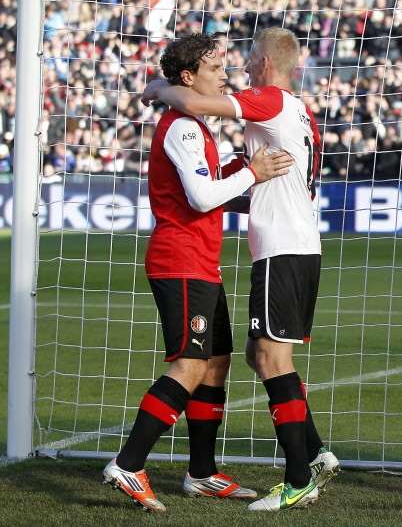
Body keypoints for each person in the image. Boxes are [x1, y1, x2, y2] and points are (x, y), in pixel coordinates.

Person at [142, 27, 338, 512]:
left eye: (247, 60)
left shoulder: (269, 99)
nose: (238, 71)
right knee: (257, 353)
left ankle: (299, 478)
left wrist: (160, 88)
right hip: (294, 244)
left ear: (265, 63)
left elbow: (196, 103)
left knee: (271, 358)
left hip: (283, 248)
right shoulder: (298, 111)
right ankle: (314, 452)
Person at [102, 33, 293, 512]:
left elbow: (210, 190)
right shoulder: (184, 128)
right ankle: (128, 463)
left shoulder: (195, 125)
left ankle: (202, 472)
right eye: (214, 68)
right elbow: (203, 197)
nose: (224, 76)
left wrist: (247, 183)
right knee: (189, 365)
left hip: (200, 260)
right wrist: (252, 173)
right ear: (188, 78)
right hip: (180, 260)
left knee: (216, 361)